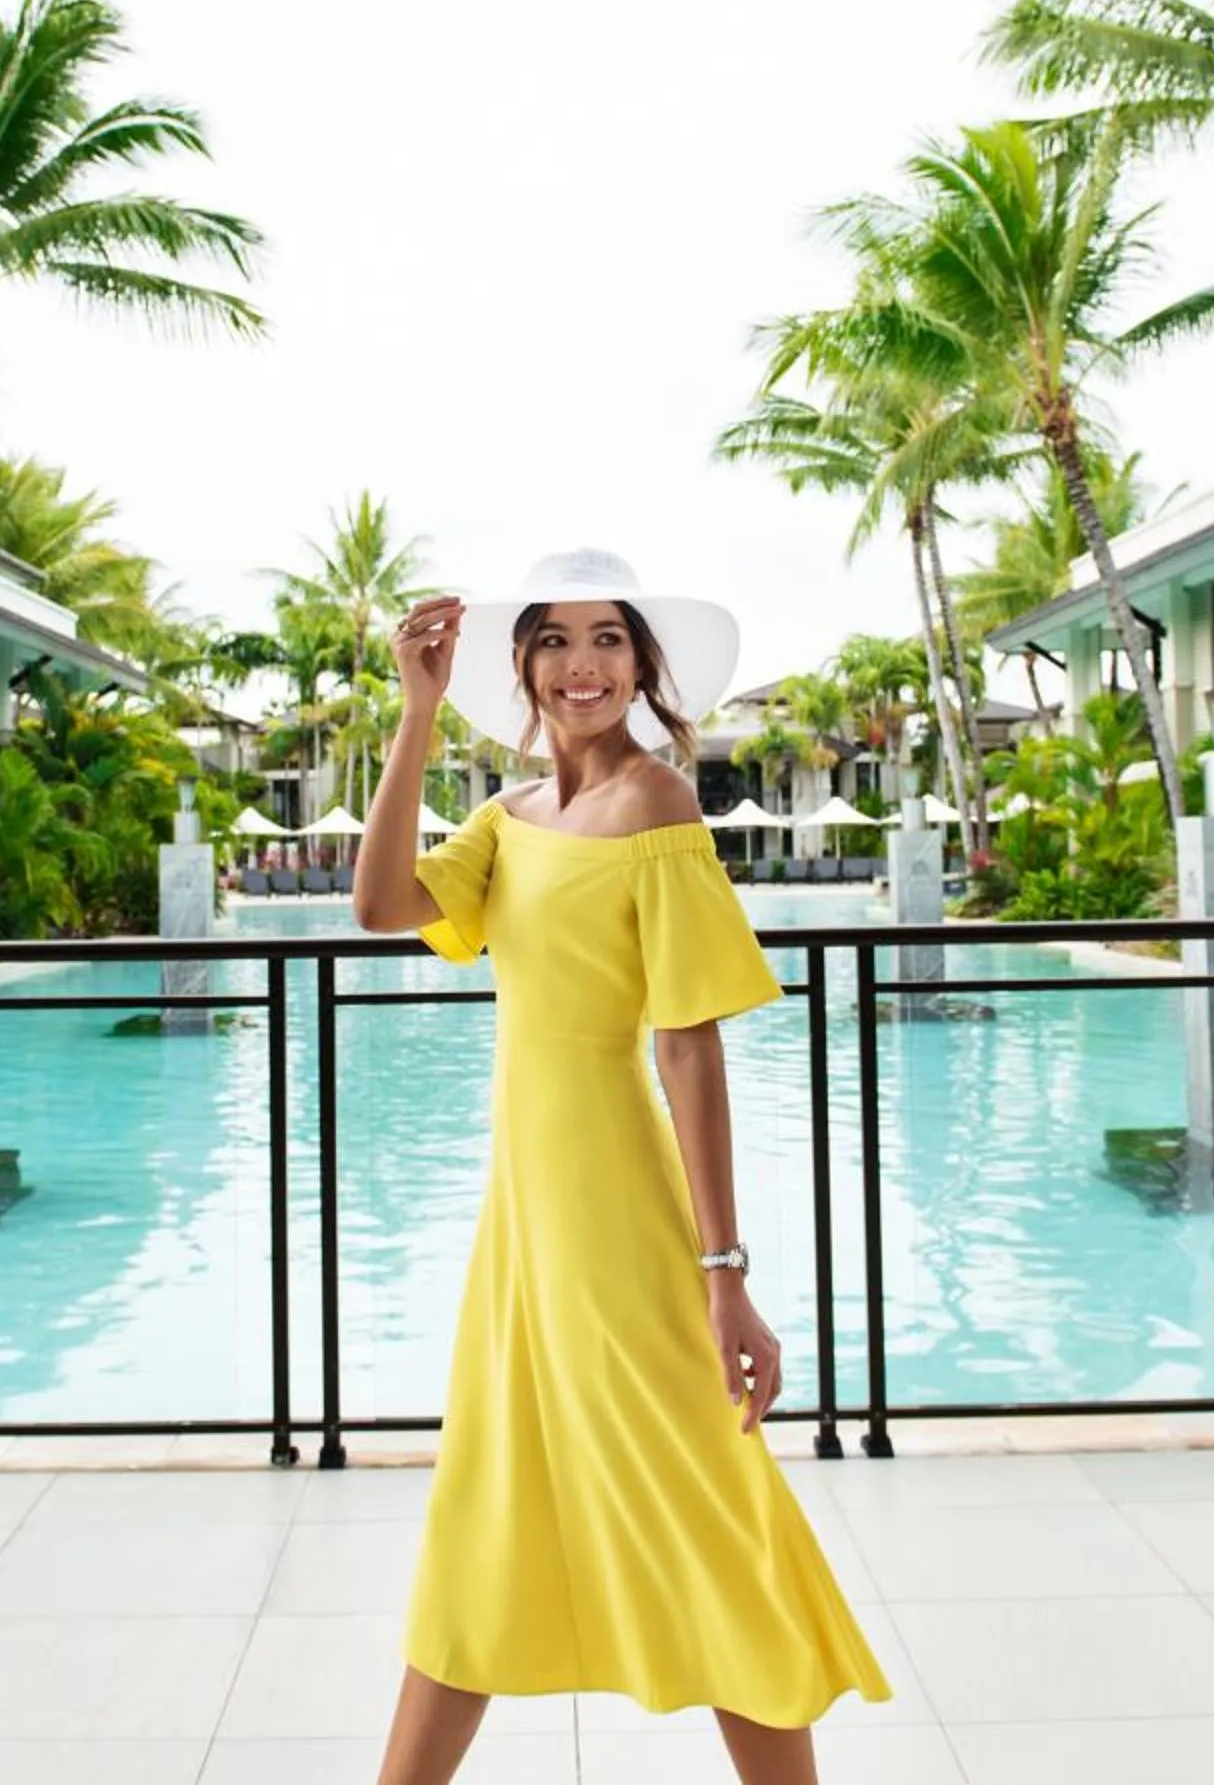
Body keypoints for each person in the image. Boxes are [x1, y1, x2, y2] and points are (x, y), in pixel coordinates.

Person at [349, 548, 891, 1785]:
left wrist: (725, 1271)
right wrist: (416, 711)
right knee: (493, 1507)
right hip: (525, 1224)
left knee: (699, 1501)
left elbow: (686, 1043)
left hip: (615, 1214)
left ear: (642, 662)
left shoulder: (658, 806)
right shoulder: (510, 822)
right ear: (523, 664)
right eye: (553, 640)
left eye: (606, 639)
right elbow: (378, 905)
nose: (580, 665)